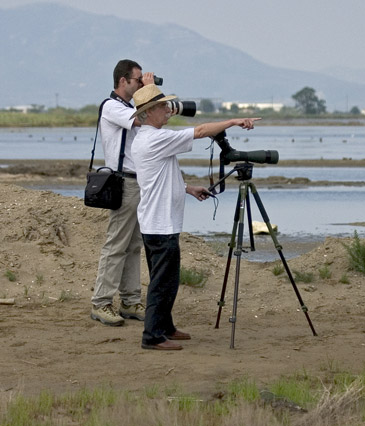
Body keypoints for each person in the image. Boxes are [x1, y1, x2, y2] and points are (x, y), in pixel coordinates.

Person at [129, 84, 260, 350]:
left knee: (166, 278)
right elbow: (200, 131)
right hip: (160, 223)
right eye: (163, 106)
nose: (169, 110)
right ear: (150, 111)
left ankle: (165, 327)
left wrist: (188, 188)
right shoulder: (153, 138)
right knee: (162, 283)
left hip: (158, 221)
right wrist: (233, 121)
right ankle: (152, 336)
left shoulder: (150, 138)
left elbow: (161, 176)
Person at [90, 59, 156, 326]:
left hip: (138, 182)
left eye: (142, 80)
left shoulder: (127, 107)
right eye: (137, 80)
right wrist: (149, 93)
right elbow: (143, 119)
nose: (140, 83)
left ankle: (130, 300)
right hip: (124, 183)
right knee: (116, 245)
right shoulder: (112, 107)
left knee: (133, 246)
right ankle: (101, 303)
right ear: (123, 81)